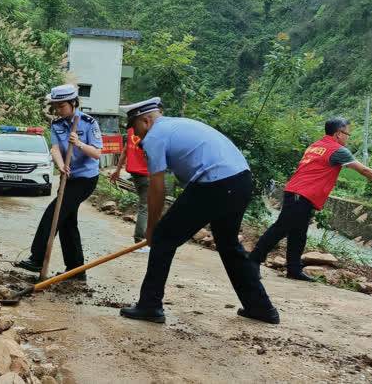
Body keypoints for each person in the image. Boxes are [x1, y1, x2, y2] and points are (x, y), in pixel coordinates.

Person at [118, 98, 279, 324]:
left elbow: (157, 188)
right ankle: (261, 308)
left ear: (145, 120)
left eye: (135, 128)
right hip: (240, 180)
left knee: (164, 237)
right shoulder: (177, 125)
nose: (137, 135)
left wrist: (152, 229)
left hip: (216, 182)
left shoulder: (155, 136)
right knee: (228, 243)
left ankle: (150, 305)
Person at [249, 118, 372, 280]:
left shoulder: (315, 146)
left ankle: (293, 269)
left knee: (298, 233)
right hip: (302, 194)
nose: (348, 137)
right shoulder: (338, 150)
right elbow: (363, 170)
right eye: (347, 133)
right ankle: (253, 260)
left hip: (296, 192)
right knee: (281, 228)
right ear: (338, 134)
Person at [15, 84, 103, 280]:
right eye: (55, 106)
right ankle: (76, 270)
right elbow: (55, 148)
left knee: (54, 213)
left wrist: (79, 143)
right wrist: (61, 165)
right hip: (68, 177)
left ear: (73, 103)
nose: (58, 110)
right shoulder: (56, 124)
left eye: (61, 106)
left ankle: (37, 257)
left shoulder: (89, 123)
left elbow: (97, 153)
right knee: (67, 222)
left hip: (86, 179)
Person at [109, 120, 154, 253]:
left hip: (134, 172)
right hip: (145, 174)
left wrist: (117, 171)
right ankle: (139, 241)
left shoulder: (131, 130)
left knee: (145, 205)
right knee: (145, 206)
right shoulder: (149, 131)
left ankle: (144, 238)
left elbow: (124, 151)